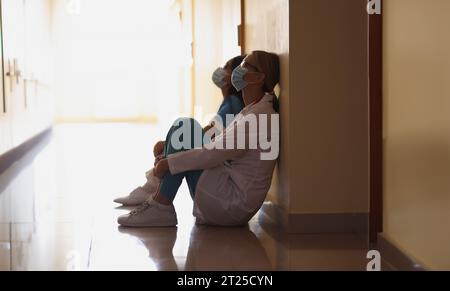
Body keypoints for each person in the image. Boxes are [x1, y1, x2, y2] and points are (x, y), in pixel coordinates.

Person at [118, 50, 280, 227]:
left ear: (258, 78)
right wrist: (172, 153)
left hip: (232, 203)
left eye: (244, 65)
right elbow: (216, 144)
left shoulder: (258, 117)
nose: (237, 70)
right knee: (184, 129)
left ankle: (160, 204)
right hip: (228, 195)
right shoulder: (255, 110)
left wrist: (169, 162)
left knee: (186, 129)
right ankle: (157, 196)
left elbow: (214, 153)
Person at [114, 55, 246, 206]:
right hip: (216, 170)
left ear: (235, 75)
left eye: (226, 68)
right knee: (179, 134)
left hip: (219, 174)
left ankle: (153, 187)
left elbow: (213, 136)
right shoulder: (230, 102)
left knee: (182, 131)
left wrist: (171, 148)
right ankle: (155, 187)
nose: (221, 71)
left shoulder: (233, 104)